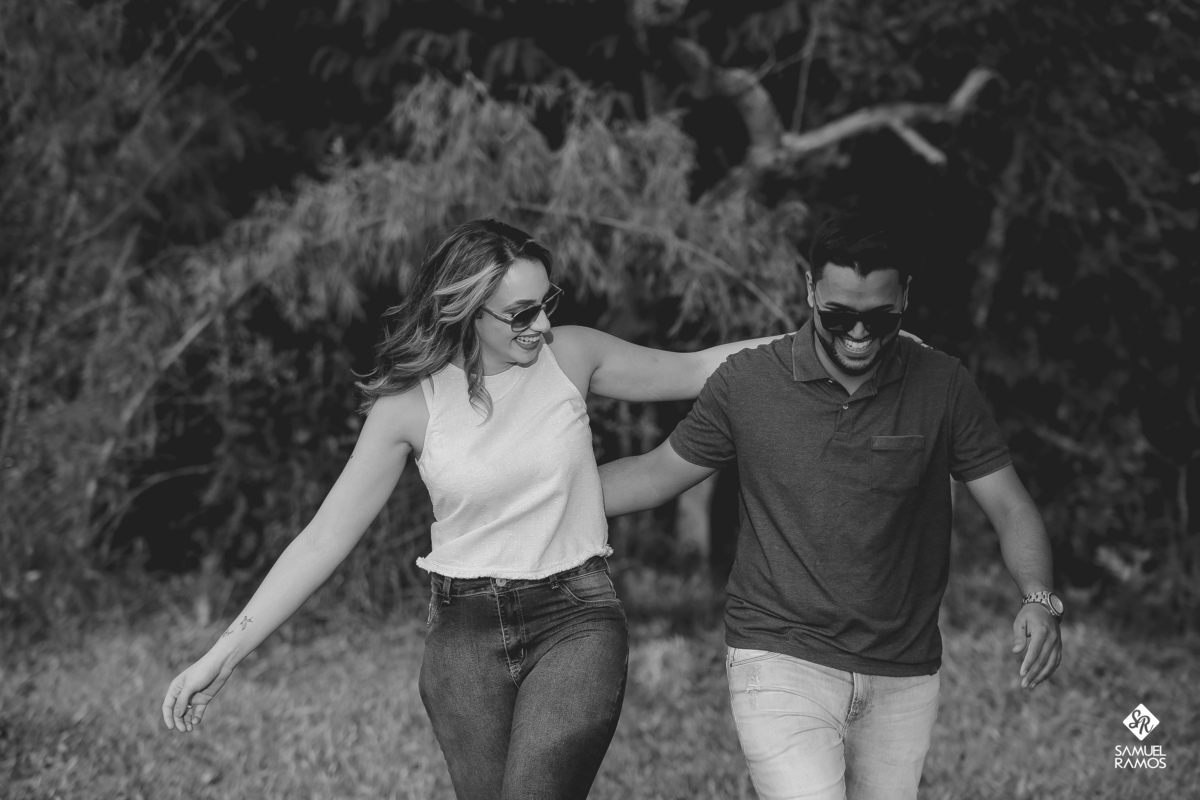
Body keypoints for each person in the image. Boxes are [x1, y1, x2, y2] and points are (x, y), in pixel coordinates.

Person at [160, 218, 781, 800]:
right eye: (520, 313)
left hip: (575, 617)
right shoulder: (410, 407)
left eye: (546, 302)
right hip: (463, 638)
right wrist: (223, 654)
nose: (541, 324)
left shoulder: (572, 356)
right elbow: (323, 539)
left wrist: (815, 340)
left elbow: (701, 369)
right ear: (464, 309)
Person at [598, 211, 1063, 800]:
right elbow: (653, 476)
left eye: (880, 317)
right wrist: (531, 497)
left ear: (905, 297)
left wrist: (1038, 597)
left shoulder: (942, 384)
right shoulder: (748, 382)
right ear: (810, 291)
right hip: (778, 654)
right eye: (840, 315)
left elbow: (1011, 506)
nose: (859, 333)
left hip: (903, 668)